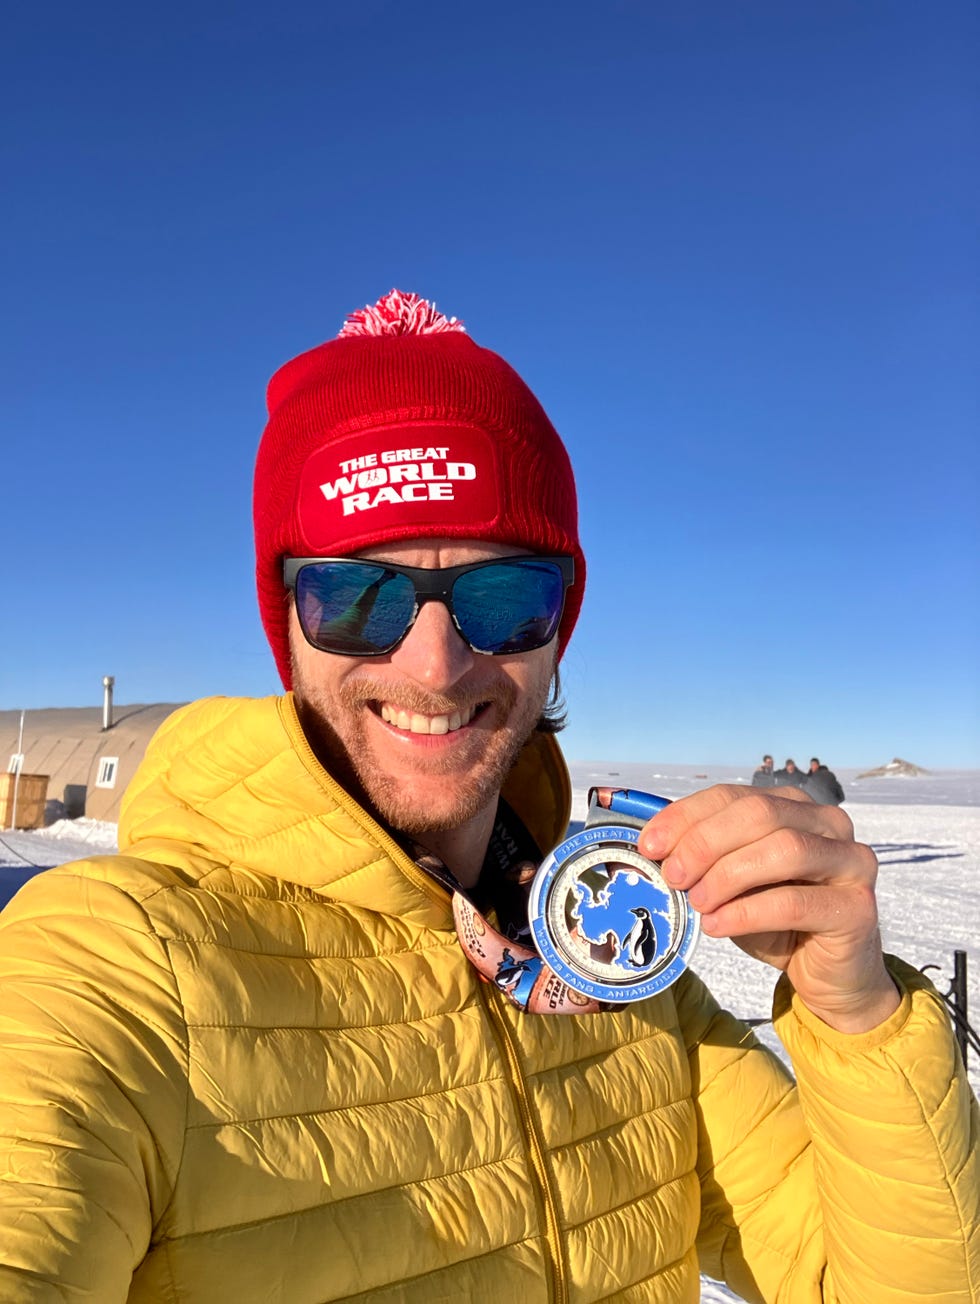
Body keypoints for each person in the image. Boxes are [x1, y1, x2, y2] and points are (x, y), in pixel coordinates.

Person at [1, 290, 976, 1302]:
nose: (433, 662)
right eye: (357, 595)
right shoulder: (116, 964)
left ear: (559, 626)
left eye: (503, 596)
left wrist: (854, 1011)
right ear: (286, 623)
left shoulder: (619, 967)